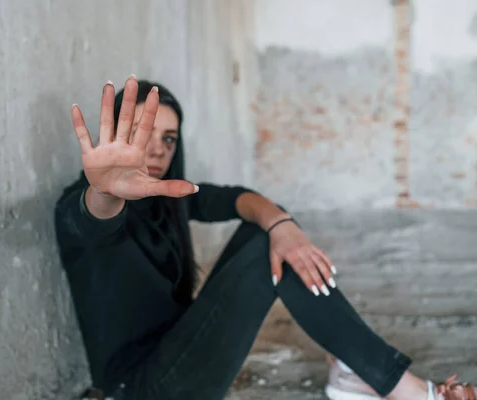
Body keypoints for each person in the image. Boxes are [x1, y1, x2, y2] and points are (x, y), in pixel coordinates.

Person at [54, 75, 476, 400]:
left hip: (176, 356)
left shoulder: (172, 199)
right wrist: (105, 189)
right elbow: (95, 217)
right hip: (142, 389)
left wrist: (282, 225)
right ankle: (395, 385)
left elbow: (239, 199)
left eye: (169, 139)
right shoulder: (79, 208)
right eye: (148, 136)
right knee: (264, 254)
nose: (160, 150)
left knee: (266, 233)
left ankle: (359, 374)